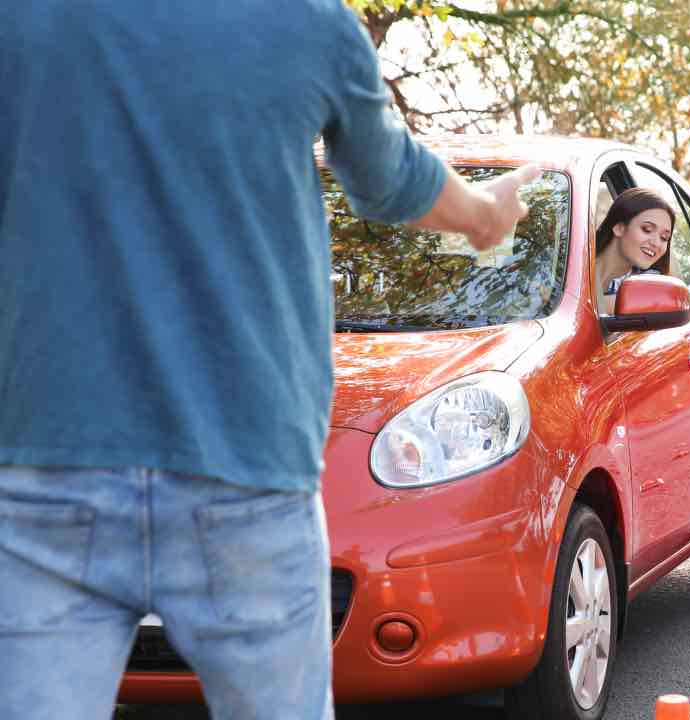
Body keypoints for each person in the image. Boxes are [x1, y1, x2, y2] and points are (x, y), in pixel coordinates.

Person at [0, 3, 538, 719]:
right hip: (244, 465)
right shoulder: (306, 22)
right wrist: (483, 215)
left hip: (49, 461)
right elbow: (393, 179)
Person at [593, 188, 677, 315]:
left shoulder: (650, 282)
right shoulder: (566, 266)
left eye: (664, 238)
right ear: (619, 228)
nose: (656, 243)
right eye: (647, 229)